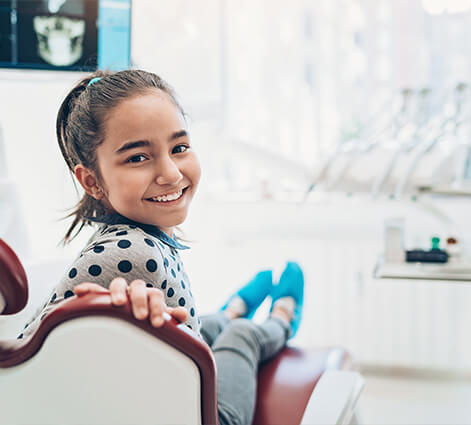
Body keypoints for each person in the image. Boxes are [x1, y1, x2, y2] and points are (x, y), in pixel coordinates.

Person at [22, 69, 304, 425]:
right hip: (198, 415)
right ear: (91, 181)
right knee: (244, 337)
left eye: (179, 148)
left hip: (163, 384)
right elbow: (28, 362)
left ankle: (232, 311)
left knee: (202, 326)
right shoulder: (134, 255)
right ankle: (282, 317)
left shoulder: (130, 237)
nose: (170, 173)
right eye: (138, 157)